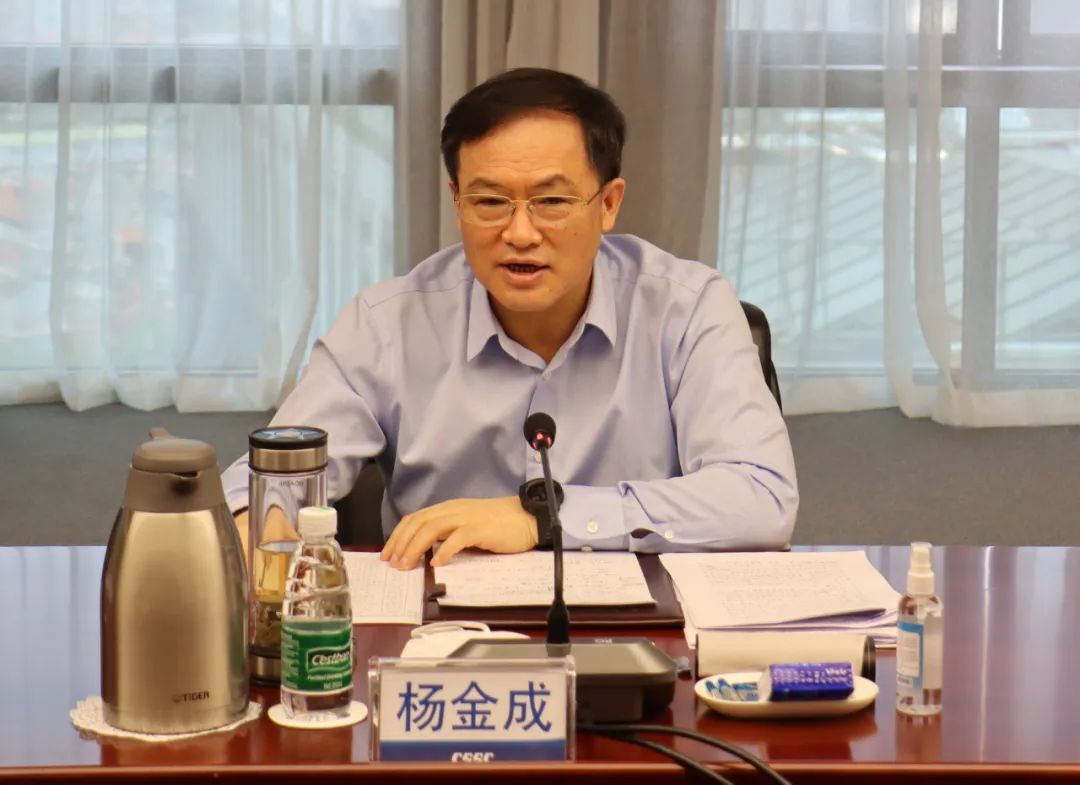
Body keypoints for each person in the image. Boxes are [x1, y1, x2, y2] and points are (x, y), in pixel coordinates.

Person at [222, 67, 798, 571]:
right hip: (435, 632)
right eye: (490, 202)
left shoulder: (688, 307)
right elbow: (268, 483)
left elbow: (762, 498)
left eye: (551, 202)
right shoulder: (386, 325)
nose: (520, 234)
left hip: (643, 627)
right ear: (457, 202)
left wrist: (544, 518)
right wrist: (259, 524)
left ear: (608, 204)